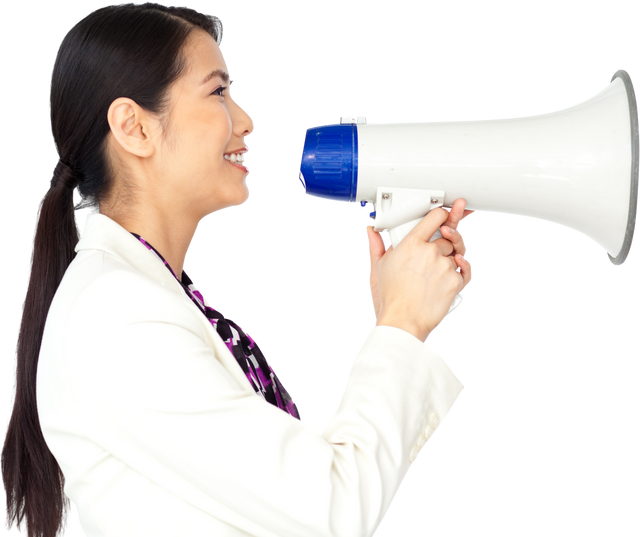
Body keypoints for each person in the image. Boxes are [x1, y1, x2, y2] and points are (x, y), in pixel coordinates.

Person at [1, 2, 474, 536]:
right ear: (134, 128)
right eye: (218, 91)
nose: (246, 121)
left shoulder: (147, 297)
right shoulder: (117, 315)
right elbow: (331, 512)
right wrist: (400, 326)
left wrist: (399, 313)